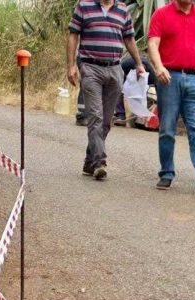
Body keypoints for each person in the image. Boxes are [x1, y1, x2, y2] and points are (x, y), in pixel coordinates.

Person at [147, 0, 195, 192]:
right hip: (169, 78)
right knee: (167, 127)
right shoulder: (161, 14)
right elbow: (153, 44)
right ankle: (166, 173)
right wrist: (159, 67)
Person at [68, 0, 145, 180]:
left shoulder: (123, 10)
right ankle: (100, 162)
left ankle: (89, 160)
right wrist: (71, 65)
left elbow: (129, 38)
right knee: (95, 116)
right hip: (90, 67)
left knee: (106, 121)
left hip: (115, 69)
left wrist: (139, 63)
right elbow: (73, 35)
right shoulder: (84, 5)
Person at [75, 52, 156, 127]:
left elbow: (156, 85)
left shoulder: (150, 72)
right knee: (118, 90)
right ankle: (120, 115)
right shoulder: (126, 64)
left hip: (140, 75)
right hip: (121, 73)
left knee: (147, 94)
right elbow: (116, 77)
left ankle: (140, 115)